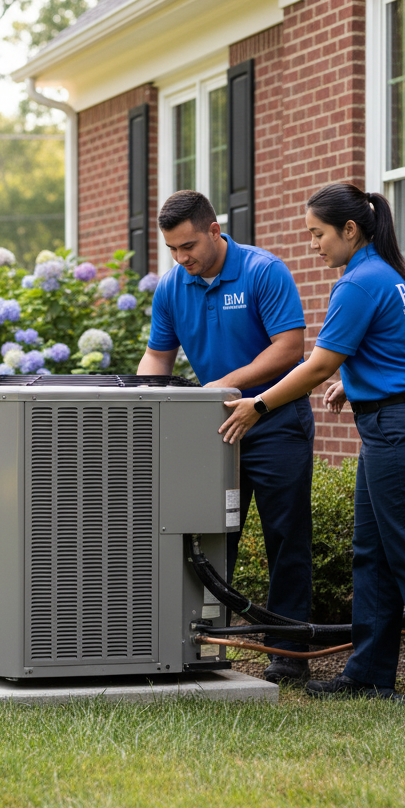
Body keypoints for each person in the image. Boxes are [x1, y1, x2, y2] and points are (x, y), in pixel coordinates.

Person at [220, 183, 405, 707]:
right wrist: (355, 382)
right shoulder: (392, 273)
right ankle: (368, 673)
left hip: (400, 429)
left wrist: (259, 405)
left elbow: (315, 363)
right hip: (402, 419)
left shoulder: (357, 283)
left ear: (350, 230)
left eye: (318, 234)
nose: (313, 244)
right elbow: (403, 348)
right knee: (374, 554)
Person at [137, 189, 315, 684]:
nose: (181, 258)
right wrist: (143, 404)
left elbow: (290, 349)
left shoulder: (263, 271)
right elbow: (158, 356)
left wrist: (224, 384)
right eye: (172, 249)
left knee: (286, 540)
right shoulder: (174, 286)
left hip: (275, 421)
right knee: (212, 536)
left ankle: (287, 655)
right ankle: (203, 643)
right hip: (217, 430)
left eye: (188, 246)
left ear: (215, 230)